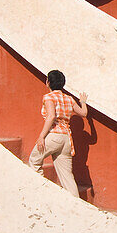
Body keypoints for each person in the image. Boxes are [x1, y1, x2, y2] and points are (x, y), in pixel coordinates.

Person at [28, 69, 87, 199]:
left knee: (34, 160)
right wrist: (83, 101)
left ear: (47, 82)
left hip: (54, 135)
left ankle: (41, 193)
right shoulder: (69, 99)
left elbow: (51, 116)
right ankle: (77, 204)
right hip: (66, 138)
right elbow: (83, 113)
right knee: (67, 175)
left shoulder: (49, 97)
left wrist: (41, 137)